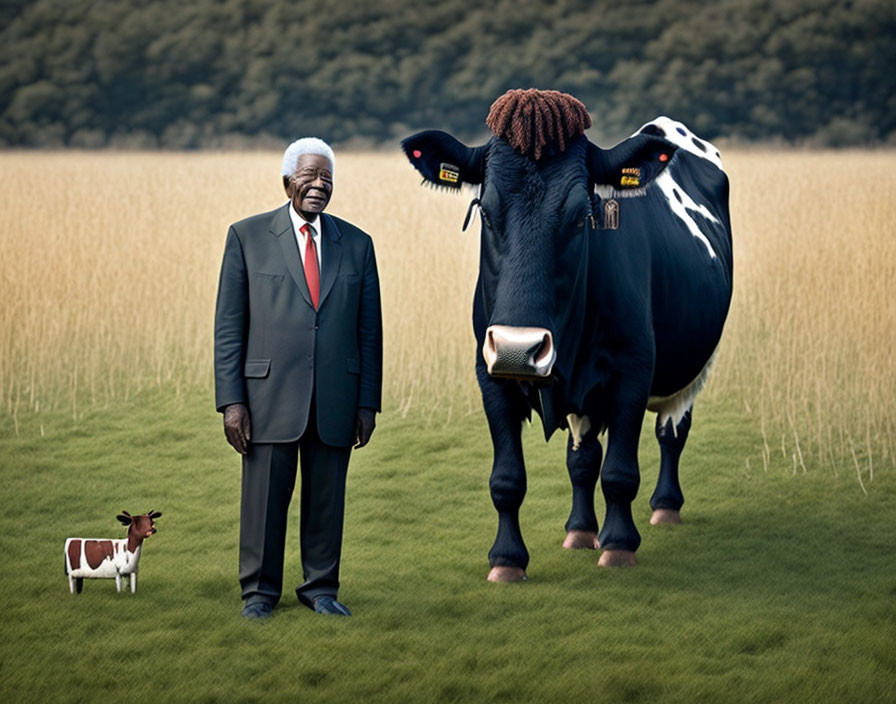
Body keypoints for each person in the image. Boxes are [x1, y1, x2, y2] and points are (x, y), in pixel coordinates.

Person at [214, 138, 382, 619]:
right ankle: (259, 594)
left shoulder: (358, 244)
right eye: (309, 176)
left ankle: (321, 589)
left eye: (327, 178)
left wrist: (367, 402)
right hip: (266, 398)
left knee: (327, 501)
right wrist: (232, 402)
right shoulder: (246, 237)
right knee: (264, 501)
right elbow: (229, 326)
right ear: (287, 181)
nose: (319, 185)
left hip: (336, 397)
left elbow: (370, 332)